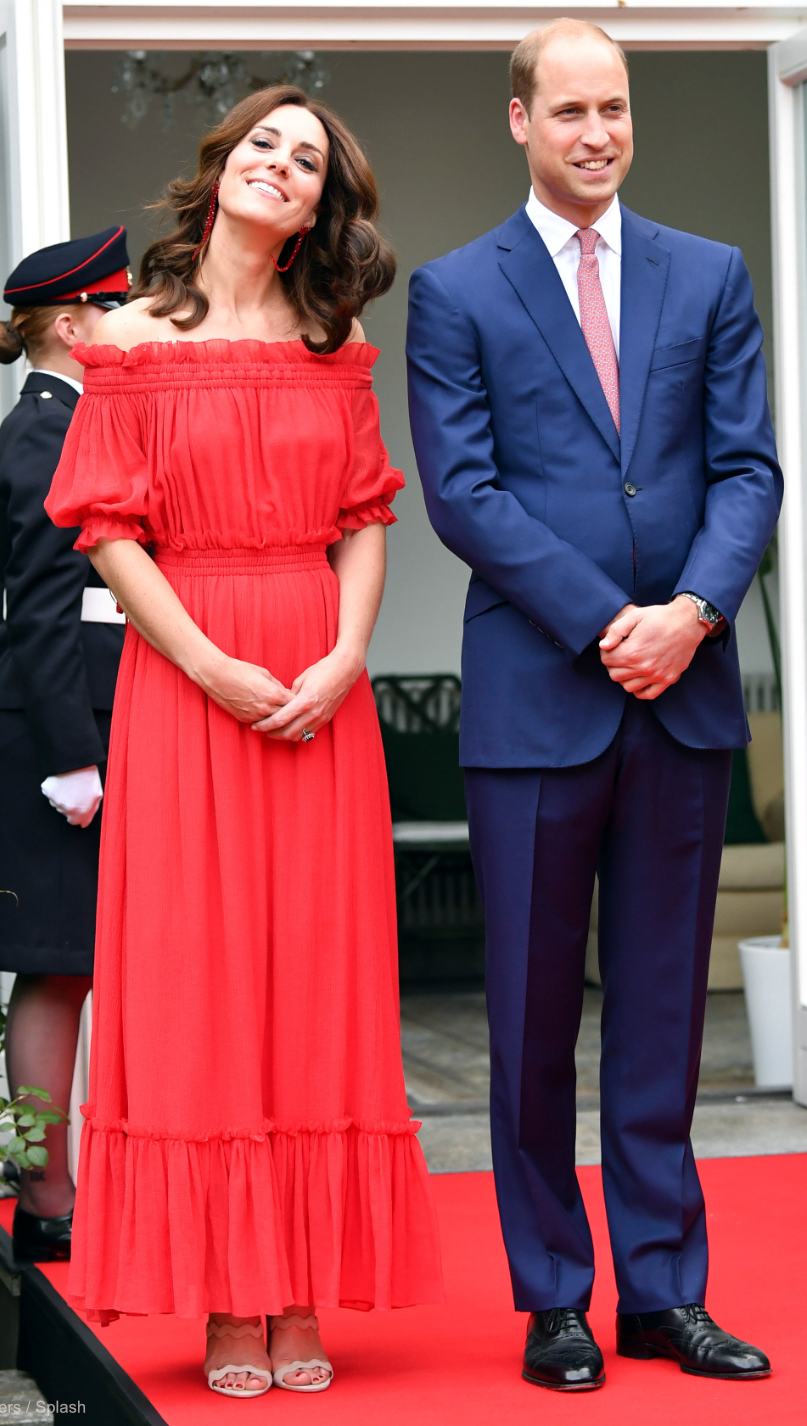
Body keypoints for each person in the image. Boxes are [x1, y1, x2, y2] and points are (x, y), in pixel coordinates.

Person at [45, 85, 443, 1397]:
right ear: (222, 172)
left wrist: (344, 656)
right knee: (198, 985)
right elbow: (106, 529)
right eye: (266, 143)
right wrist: (208, 660)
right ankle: (229, 1295)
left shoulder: (337, 345)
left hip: (318, 686)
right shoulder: (130, 342)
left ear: (323, 205)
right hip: (184, 677)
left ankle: (298, 1287)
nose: (284, 164)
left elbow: (368, 514)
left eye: (311, 158)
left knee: (314, 986)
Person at [407, 19, 780, 1392]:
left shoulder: (710, 274)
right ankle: (554, 1294)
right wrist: (605, 619)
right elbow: (464, 492)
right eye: (569, 110)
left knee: (666, 1017)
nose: (597, 133)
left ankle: (664, 1292)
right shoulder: (458, 292)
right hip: (533, 705)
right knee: (528, 1020)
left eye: (614, 107)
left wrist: (689, 613)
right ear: (520, 121)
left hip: (680, 698)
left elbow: (749, 469)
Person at [0, 228, 131, 1261]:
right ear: (71, 325)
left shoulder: (81, 420)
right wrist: (74, 755)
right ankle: (47, 1201)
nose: (125, 325)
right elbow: (40, 608)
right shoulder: (46, 430)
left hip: (90, 709)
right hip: (55, 716)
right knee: (56, 962)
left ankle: (69, 1194)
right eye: (111, 309)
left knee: (84, 958)